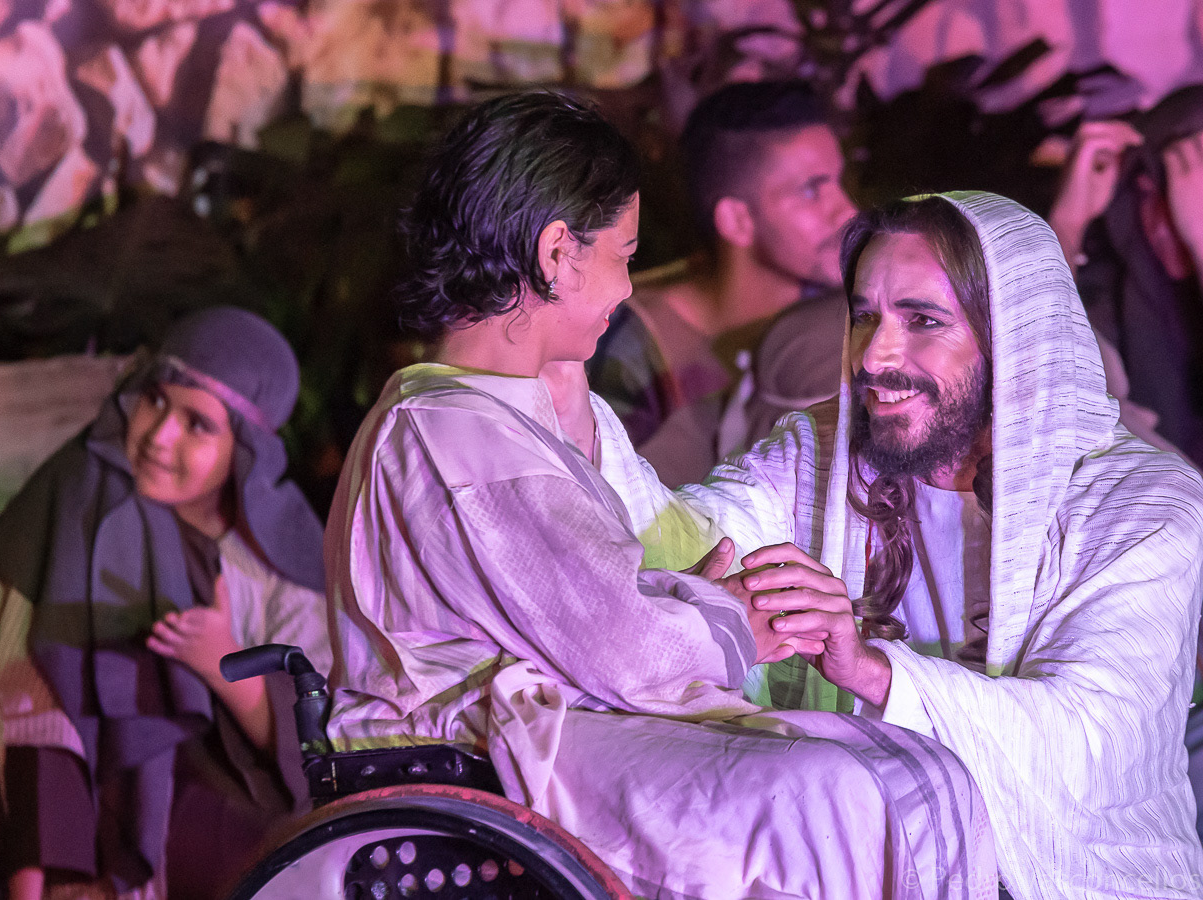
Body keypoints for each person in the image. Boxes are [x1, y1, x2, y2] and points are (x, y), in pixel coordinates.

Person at [326, 90, 995, 899]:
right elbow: (621, 640)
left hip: (554, 727)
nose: (626, 289)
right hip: (473, 760)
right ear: (558, 253)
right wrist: (730, 617)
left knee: (913, 769)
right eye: (624, 254)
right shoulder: (451, 428)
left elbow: (601, 602)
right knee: (834, 792)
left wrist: (691, 601)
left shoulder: (494, 414)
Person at [639, 192, 1203, 897]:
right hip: (875, 863)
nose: (873, 356)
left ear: (1014, 339)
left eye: (923, 321)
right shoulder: (822, 455)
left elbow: (1089, 742)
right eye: (864, 316)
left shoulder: (1145, 504)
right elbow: (678, 538)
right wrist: (562, 393)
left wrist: (873, 670)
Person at [0, 307, 330, 900]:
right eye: (154, 400)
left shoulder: (280, 565)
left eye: (198, 424)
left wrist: (224, 666)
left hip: (215, 812)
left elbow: (318, 752)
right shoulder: (79, 500)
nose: (159, 436)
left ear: (245, 451)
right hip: (63, 807)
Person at [588, 79, 856, 484]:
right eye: (810, 191)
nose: (847, 211)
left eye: (839, 182)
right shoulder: (631, 347)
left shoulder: (847, 315)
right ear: (736, 220)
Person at [1049, 88, 1203, 464]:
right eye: (1156, 196)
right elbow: (1038, 374)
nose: (1175, 228)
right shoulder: (1108, 297)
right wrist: (1066, 227)